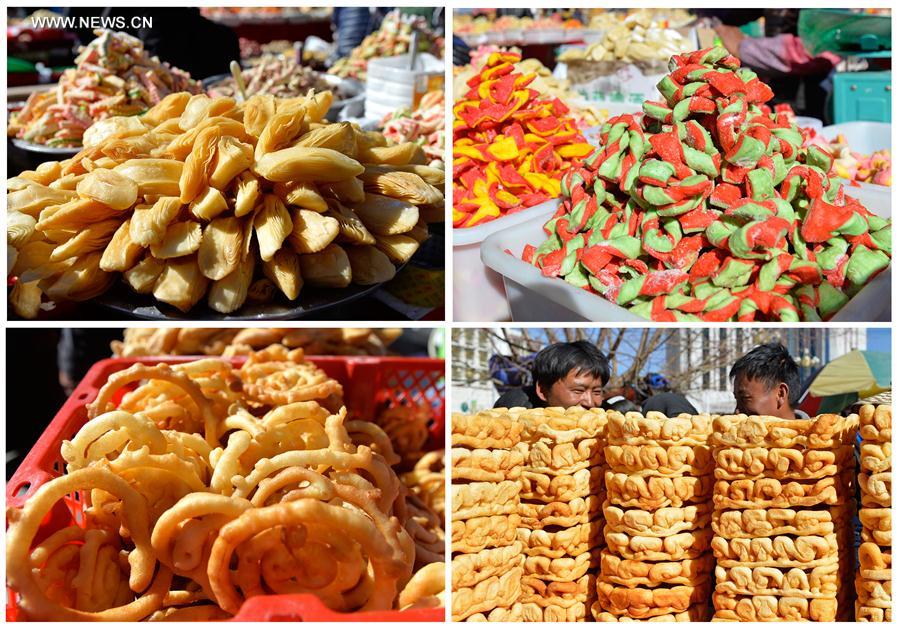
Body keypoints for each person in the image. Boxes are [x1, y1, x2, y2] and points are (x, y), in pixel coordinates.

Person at [494, 341, 610, 409]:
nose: (590, 403)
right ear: (543, 391)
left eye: (597, 392)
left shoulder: (611, 424)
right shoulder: (510, 415)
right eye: (578, 391)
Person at [730, 342, 807, 419]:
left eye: (745, 398)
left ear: (780, 394)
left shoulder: (814, 427)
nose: (737, 412)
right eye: (737, 399)